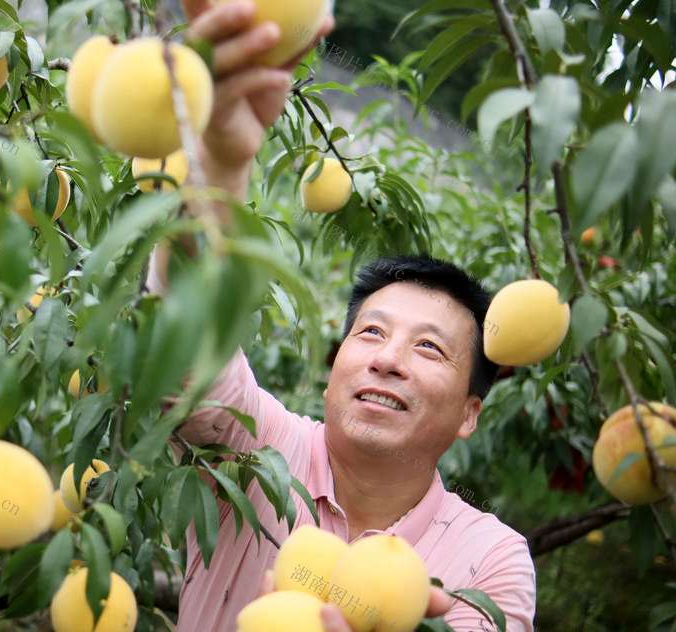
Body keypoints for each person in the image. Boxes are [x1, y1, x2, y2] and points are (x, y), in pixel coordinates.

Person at [148, 1, 538, 630]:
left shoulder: (491, 561)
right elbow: (181, 344)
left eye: (430, 349)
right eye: (372, 332)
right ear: (333, 371)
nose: (387, 358)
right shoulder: (259, 451)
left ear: (471, 413)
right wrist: (216, 165)